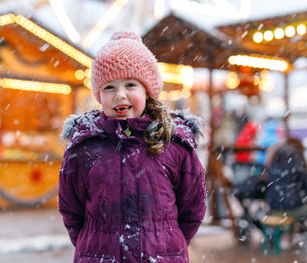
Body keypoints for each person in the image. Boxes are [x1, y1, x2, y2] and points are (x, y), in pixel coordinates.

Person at [58, 31, 207, 262]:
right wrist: (93, 243)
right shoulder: (84, 148)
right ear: (99, 94)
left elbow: (193, 206)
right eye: (109, 87)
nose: (120, 95)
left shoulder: (175, 145)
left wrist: (169, 242)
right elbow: (71, 208)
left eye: (130, 85)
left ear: (147, 91)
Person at [264, 137, 307, 251]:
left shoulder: (274, 159)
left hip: (274, 208)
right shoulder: (297, 160)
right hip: (294, 208)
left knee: (294, 207)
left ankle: (286, 237)